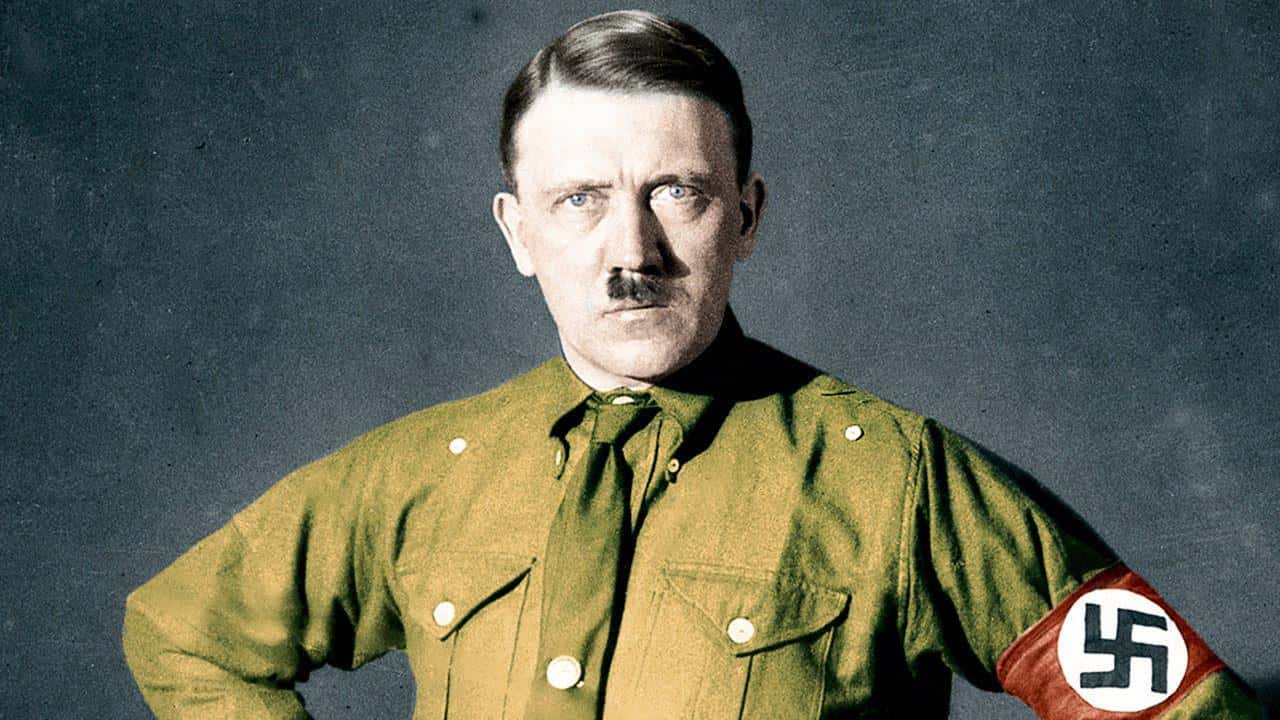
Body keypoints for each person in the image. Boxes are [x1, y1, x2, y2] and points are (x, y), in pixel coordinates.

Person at [122, 10, 1264, 719]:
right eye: (580, 200)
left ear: (746, 216)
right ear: (517, 233)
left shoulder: (899, 481)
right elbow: (182, 633)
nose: (632, 253)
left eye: (676, 192)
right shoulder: (423, 473)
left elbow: (1184, 713)